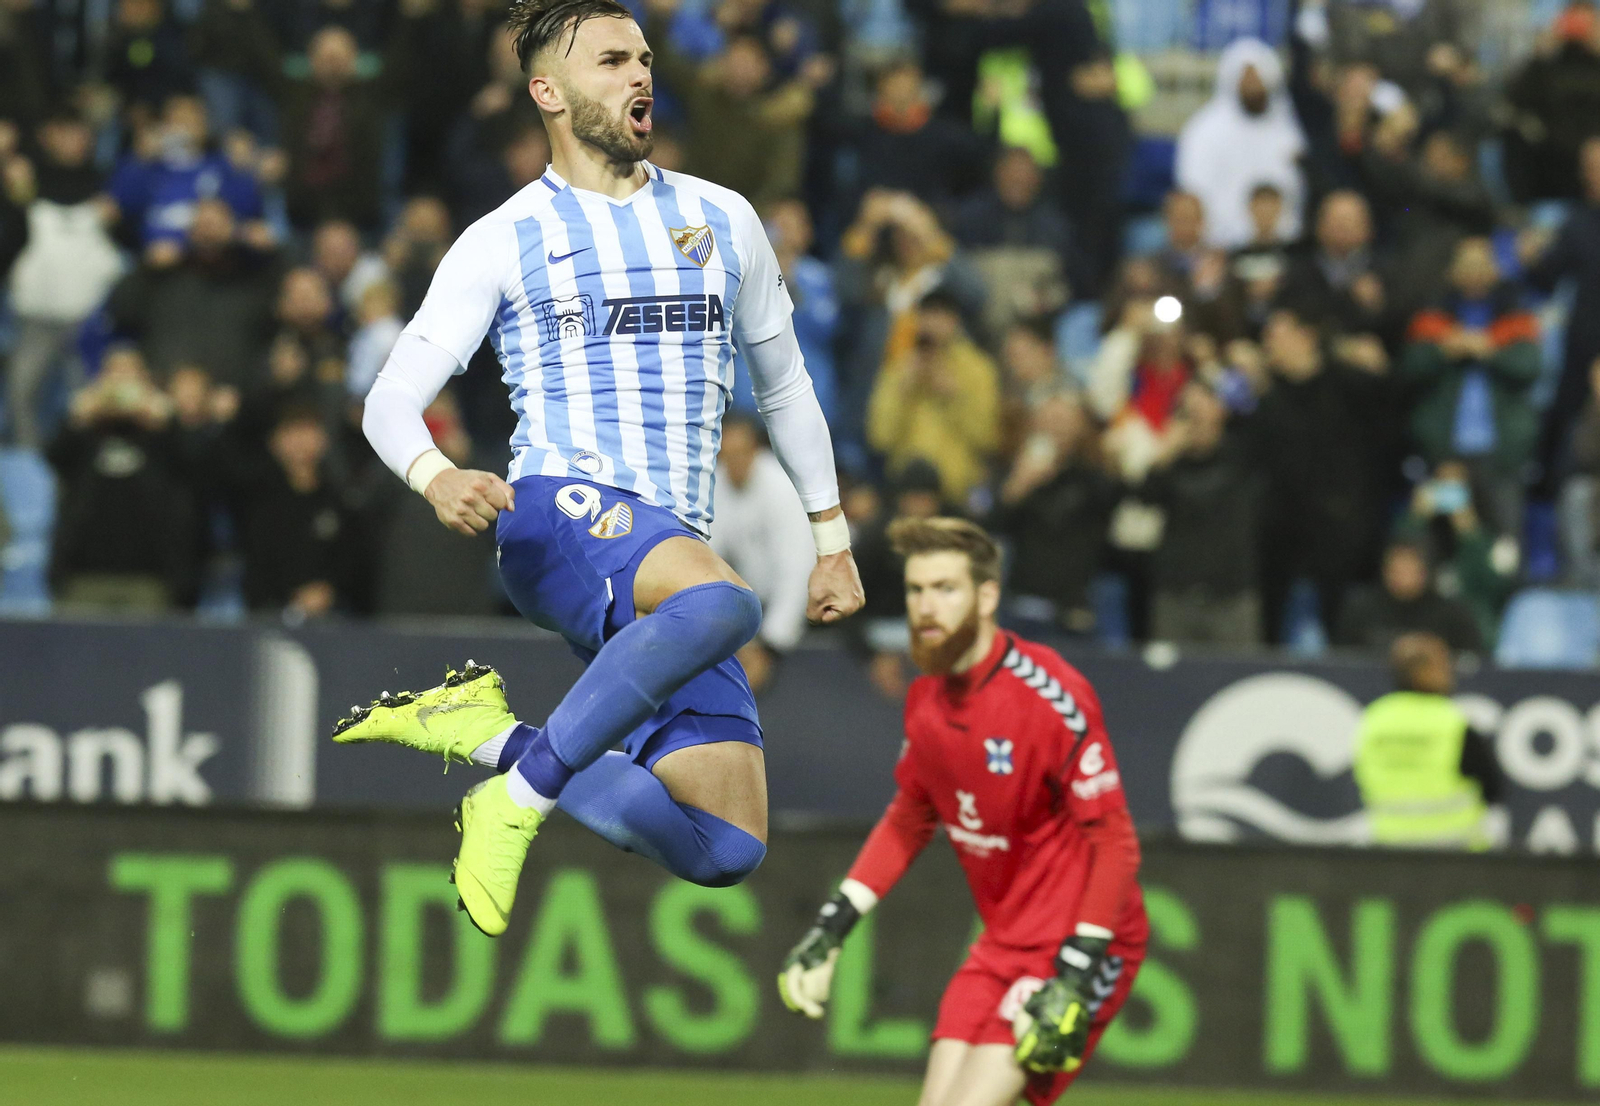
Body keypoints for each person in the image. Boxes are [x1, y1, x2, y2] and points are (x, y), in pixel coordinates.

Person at [331, 0, 863, 939]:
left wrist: (831, 540)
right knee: (731, 606)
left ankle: (490, 737)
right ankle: (521, 798)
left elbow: (784, 388)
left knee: (723, 844)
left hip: (668, 561)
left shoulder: (722, 218)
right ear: (548, 91)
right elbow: (388, 399)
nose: (640, 76)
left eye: (645, 58)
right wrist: (434, 474)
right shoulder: (506, 236)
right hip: (557, 517)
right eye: (613, 60)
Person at [778, 518, 1146, 1105]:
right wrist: (830, 930)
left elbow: (1116, 843)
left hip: (1074, 943)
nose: (927, 607)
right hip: (1002, 941)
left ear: (987, 596)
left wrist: (1077, 969)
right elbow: (908, 819)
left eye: (946, 589)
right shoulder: (925, 697)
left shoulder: (1051, 695)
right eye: (918, 590)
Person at [1354, 631, 1503, 850]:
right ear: (1422, 672)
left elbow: (1361, 776)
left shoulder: (1374, 719)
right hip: (1455, 850)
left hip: (1390, 848)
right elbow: (1493, 787)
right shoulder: (1451, 721)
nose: (1449, 673)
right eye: (1442, 665)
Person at [709, 414, 814, 691]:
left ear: (756, 450)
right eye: (726, 455)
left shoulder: (781, 488)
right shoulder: (714, 485)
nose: (734, 463)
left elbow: (797, 573)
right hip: (750, 610)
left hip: (805, 612)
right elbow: (706, 557)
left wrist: (770, 646)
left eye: (741, 453)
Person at [1175, 38, 1306, 250]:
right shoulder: (1204, 131)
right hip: (1219, 244)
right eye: (1246, 78)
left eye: (1258, 78)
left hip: (1282, 244)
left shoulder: (1288, 129)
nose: (1252, 85)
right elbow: (1193, 193)